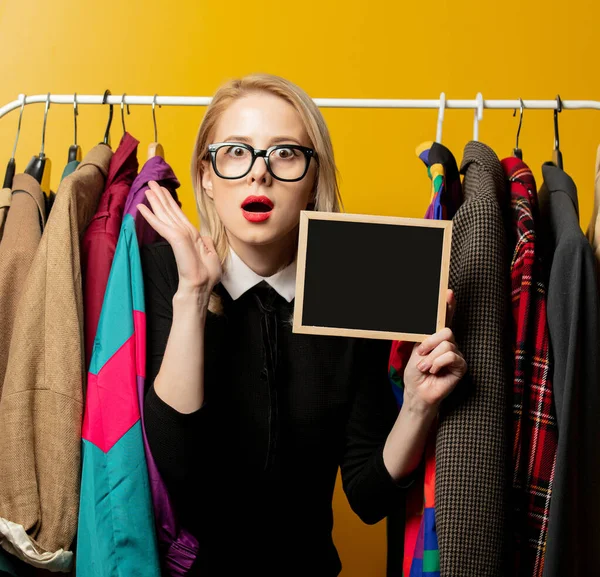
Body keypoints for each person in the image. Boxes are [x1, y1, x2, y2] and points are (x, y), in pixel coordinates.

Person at [137, 73, 467, 576]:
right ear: (206, 174)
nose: (258, 175)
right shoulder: (162, 271)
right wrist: (194, 294)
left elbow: (369, 496)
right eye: (235, 152)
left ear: (315, 177)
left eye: (286, 153)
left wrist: (419, 403)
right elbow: (176, 467)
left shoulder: (359, 285)